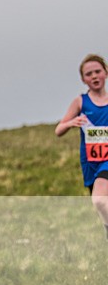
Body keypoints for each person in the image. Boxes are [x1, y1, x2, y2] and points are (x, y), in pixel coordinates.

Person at [55, 54, 108, 239]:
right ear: (83, 79)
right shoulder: (80, 102)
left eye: (97, 71)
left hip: (107, 162)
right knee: (100, 206)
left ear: (106, 73)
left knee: (100, 201)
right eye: (88, 74)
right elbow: (58, 130)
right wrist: (72, 123)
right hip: (90, 162)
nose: (94, 76)